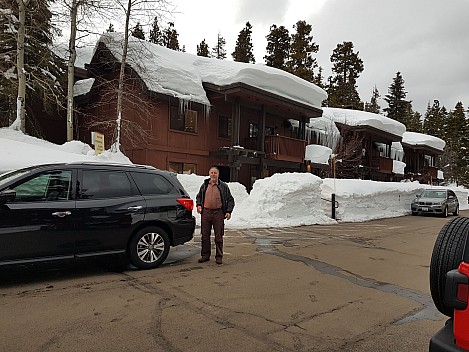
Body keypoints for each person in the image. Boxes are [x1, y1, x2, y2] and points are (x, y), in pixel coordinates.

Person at [196, 166, 235, 265]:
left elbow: (230, 200)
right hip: (206, 213)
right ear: (209, 174)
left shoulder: (223, 186)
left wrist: (228, 211)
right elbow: (199, 196)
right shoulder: (205, 185)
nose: (213, 175)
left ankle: (219, 256)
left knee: (218, 236)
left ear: (218, 174)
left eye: (215, 173)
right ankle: (205, 255)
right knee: (205, 236)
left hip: (218, 213)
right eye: (212, 173)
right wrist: (199, 205)